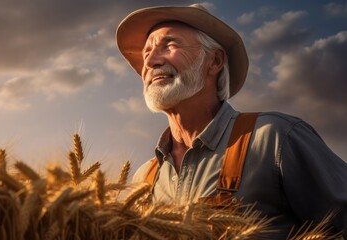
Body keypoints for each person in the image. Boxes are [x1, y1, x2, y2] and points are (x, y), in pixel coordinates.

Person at [116, 4, 347, 238]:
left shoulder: (274, 138)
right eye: (147, 52)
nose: (151, 61)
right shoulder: (144, 179)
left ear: (214, 61)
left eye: (170, 45)